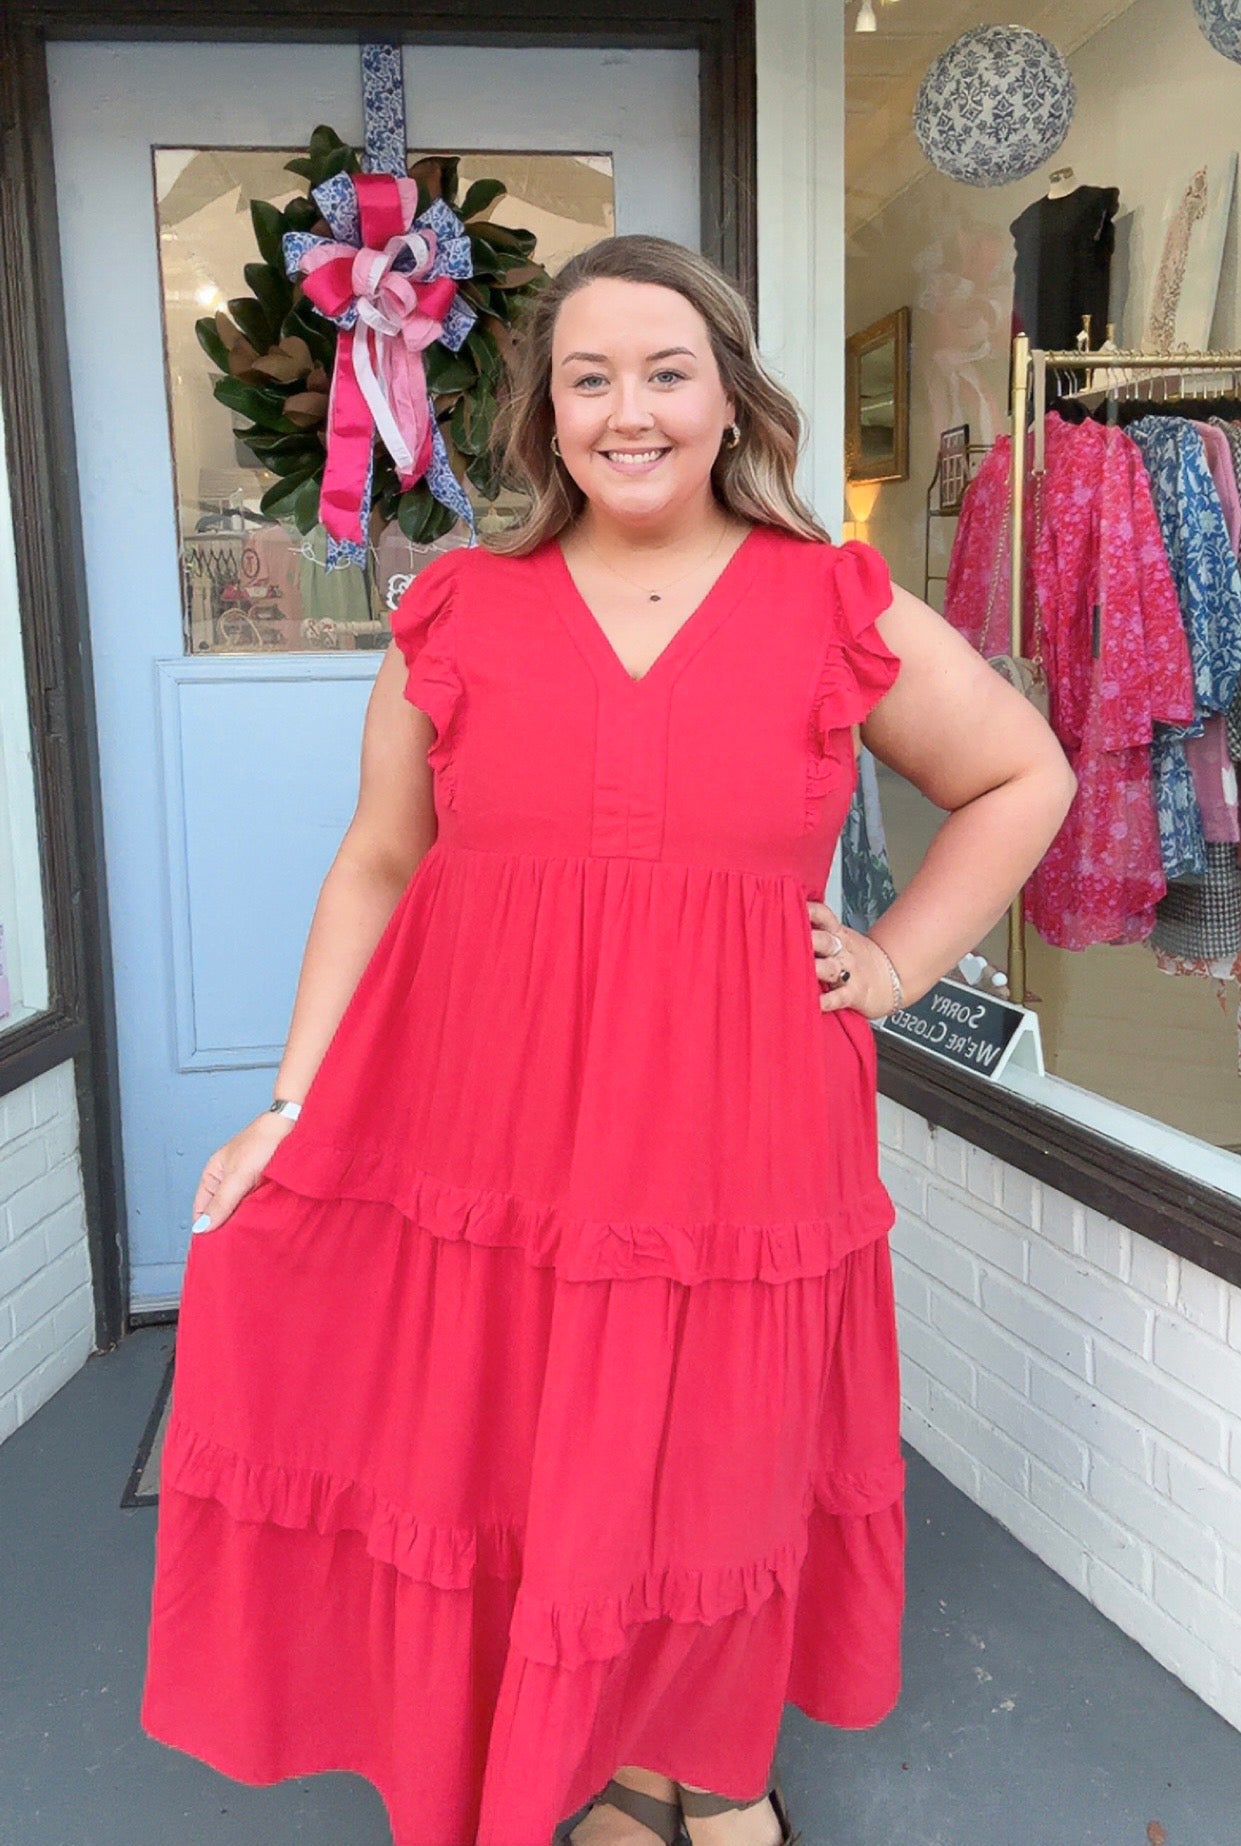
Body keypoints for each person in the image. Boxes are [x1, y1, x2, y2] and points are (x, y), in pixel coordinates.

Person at [140, 234, 1075, 1846]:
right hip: (487, 1113)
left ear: (729, 402)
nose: (627, 410)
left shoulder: (830, 598)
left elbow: (1024, 775)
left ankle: (703, 1766)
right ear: (544, 417)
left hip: (742, 1112)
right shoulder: (456, 607)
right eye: (589, 379)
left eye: (665, 373)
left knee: (711, 1456)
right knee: (523, 1440)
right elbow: (377, 858)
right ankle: (582, 1756)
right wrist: (292, 1102)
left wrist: (897, 961)